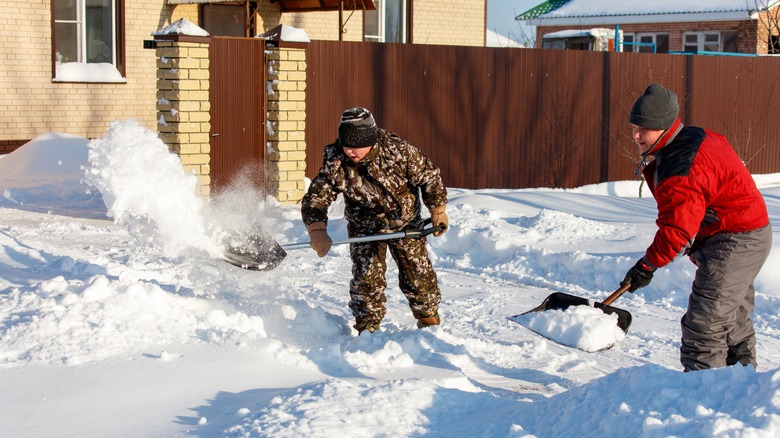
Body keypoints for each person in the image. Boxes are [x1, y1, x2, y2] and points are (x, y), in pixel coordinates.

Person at [620, 83, 772, 372]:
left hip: (735, 240)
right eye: (635, 127)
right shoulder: (693, 136)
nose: (637, 135)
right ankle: (741, 386)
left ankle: (703, 399)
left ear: (665, 126)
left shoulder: (681, 166)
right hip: (745, 231)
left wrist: (646, 266)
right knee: (731, 319)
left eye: (645, 128)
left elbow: (676, 229)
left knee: (705, 325)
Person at [301, 107, 449, 334]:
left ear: (369, 140)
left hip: (405, 224)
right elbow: (316, 198)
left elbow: (430, 176)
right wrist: (317, 230)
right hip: (365, 228)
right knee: (366, 280)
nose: (350, 151)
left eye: (355, 145)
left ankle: (429, 321)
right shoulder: (336, 161)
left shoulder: (398, 152)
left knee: (418, 277)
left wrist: (438, 209)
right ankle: (367, 328)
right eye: (346, 145)